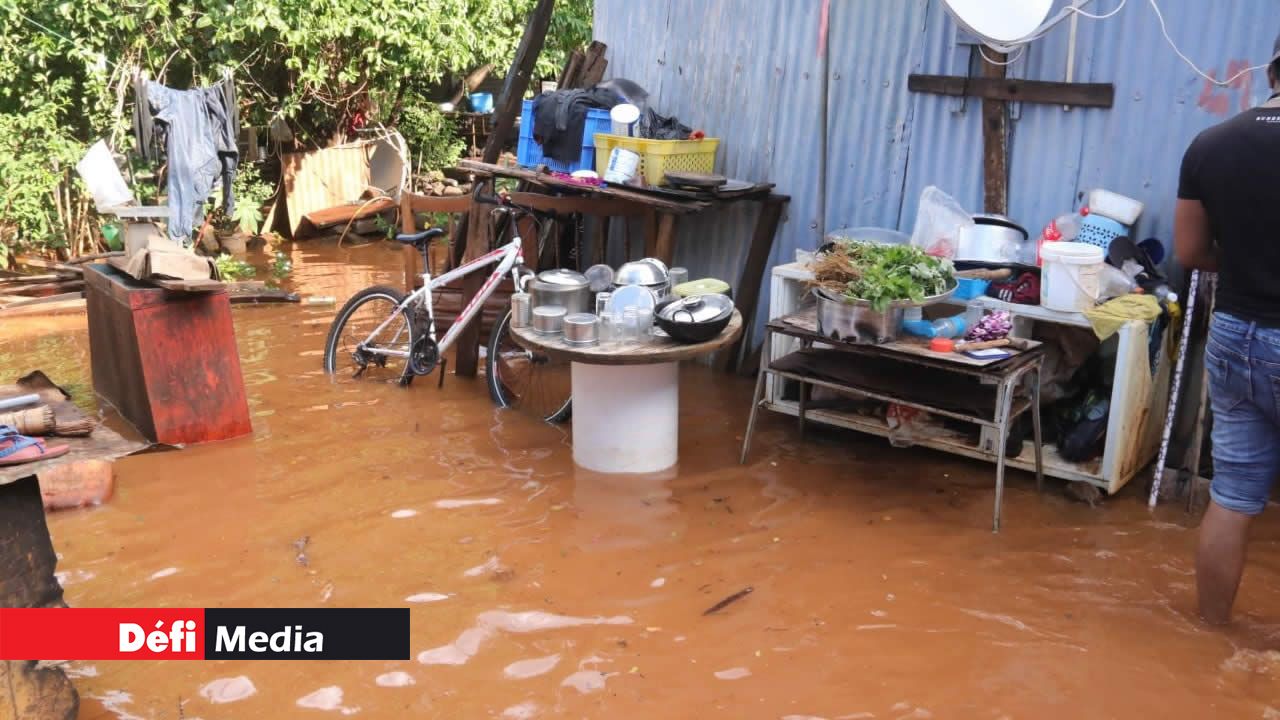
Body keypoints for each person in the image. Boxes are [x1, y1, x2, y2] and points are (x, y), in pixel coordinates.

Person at [1175, 35, 1280, 625]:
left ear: (1272, 72)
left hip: (1234, 333)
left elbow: (1191, 252)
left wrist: (1242, 264)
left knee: (1233, 497)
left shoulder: (1211, 144)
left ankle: (1211, 633)